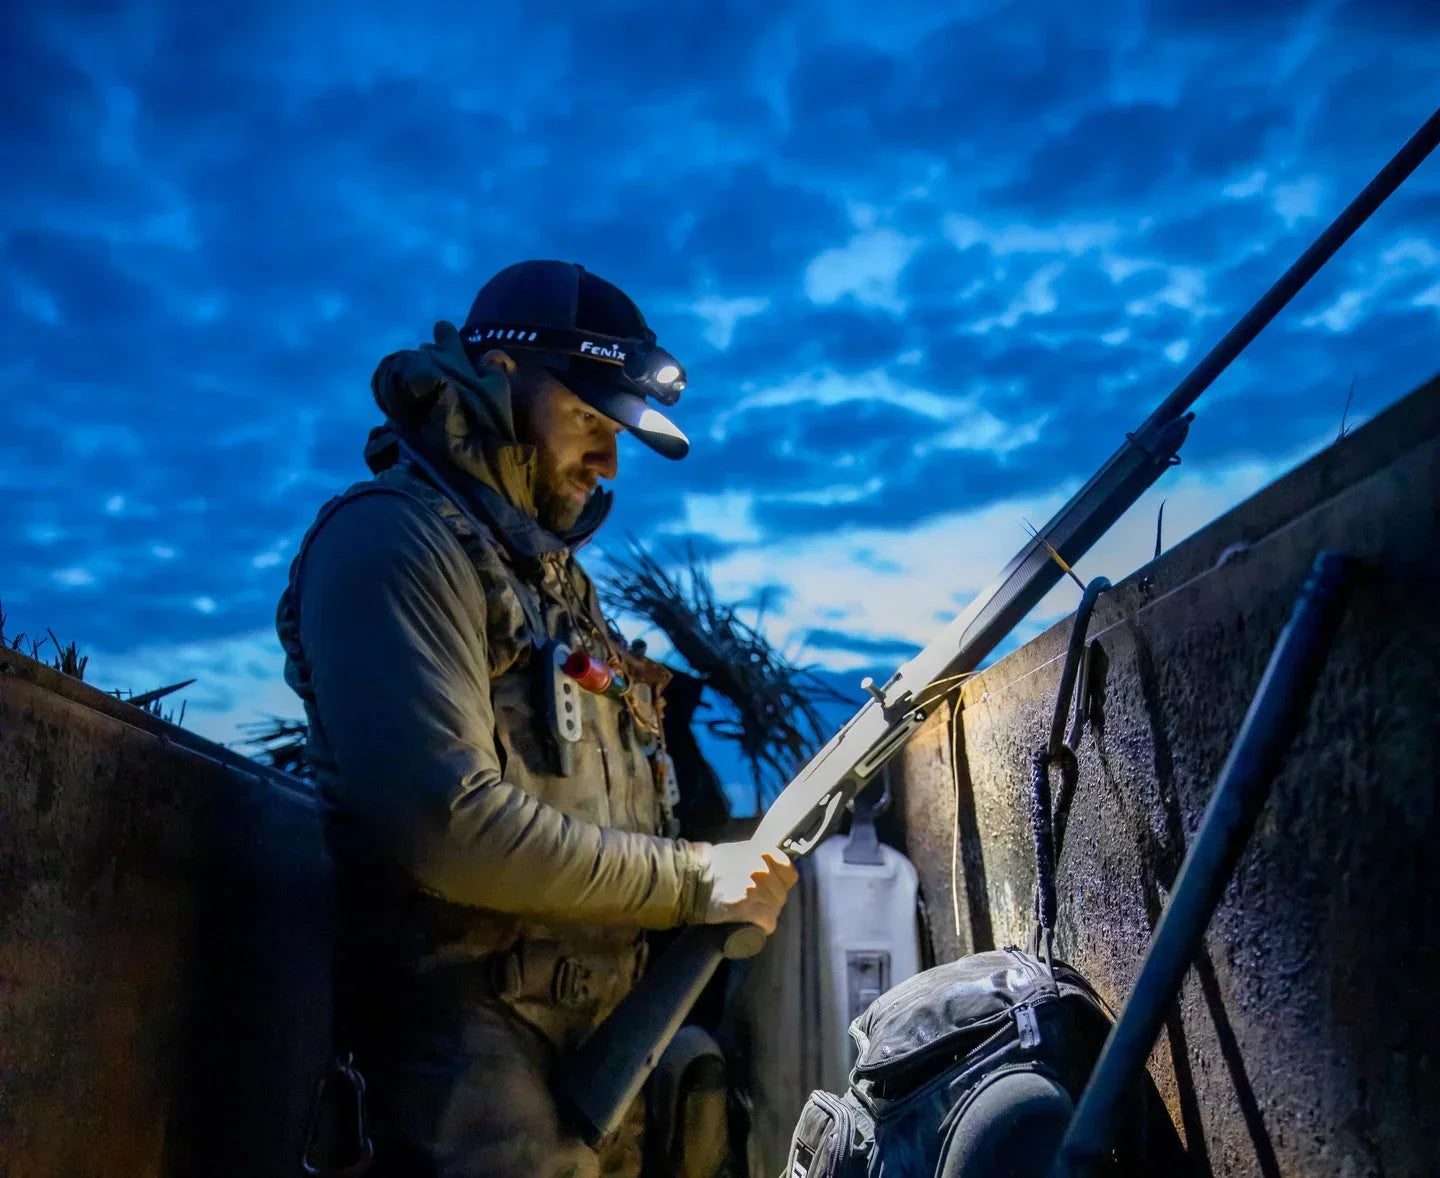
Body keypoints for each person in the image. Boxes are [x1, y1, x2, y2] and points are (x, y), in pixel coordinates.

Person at [275, 260, 797, 1178]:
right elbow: (448, 829)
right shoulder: (394, 539)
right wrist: (692, 881)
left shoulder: (557, 591)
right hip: (467, 1102)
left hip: (597, 1072)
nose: (607, 462)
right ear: (503, 378)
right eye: (591, 422)